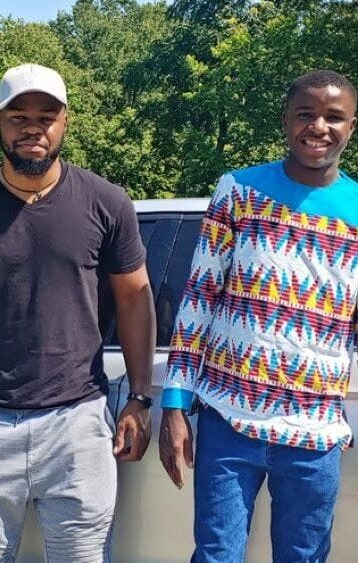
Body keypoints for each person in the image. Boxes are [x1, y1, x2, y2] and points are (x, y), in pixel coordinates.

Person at [0, 63, 156, 562]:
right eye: (18, 116)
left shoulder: (106, 202)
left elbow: (136, 299)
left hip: (79, 424)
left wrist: (139, 397)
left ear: (65, 121)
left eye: (46, 116)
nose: (33, 128)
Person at [159, 69, 358, 562]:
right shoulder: (239, 191)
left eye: (334, 117)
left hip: (314, 434)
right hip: (228, 422)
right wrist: (175, 404)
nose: (318, 127)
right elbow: (199, 299)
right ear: (285, 120)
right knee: (217, 556)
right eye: (305, 114)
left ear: (351, 127)